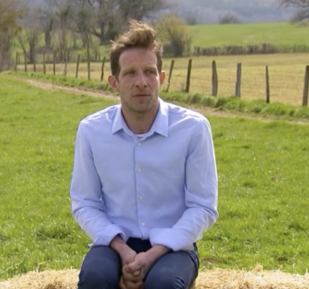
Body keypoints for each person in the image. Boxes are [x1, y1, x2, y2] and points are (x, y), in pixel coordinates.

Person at [69, 20, 219, 289]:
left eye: (149, 72)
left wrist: (154, 254)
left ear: (161, 78)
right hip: (114, 244)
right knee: (94, 279)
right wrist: (124, 251)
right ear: (113, 82)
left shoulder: (193, 129)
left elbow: (203, 206)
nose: (141, 82)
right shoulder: (91, 131)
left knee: (163, 284)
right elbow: (85, 202)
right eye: (130, 74)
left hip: (174, 247)